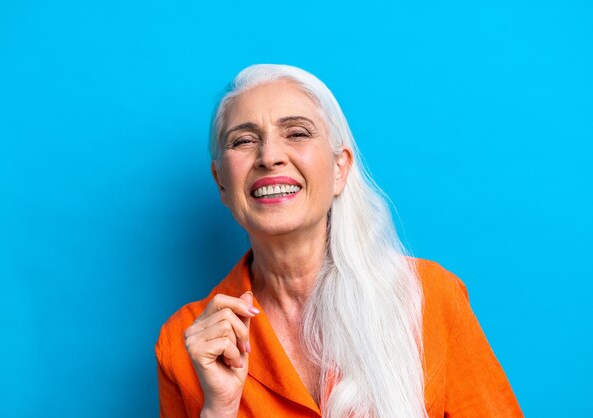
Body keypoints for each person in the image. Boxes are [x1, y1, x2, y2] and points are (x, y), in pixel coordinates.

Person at [155, 64, 524, 418]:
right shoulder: (183, 344)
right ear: (221, 181)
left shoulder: (430, 297)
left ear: (340, 169)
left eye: (297, 133)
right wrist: (218, 409)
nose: (269, 157)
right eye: (244, 140)